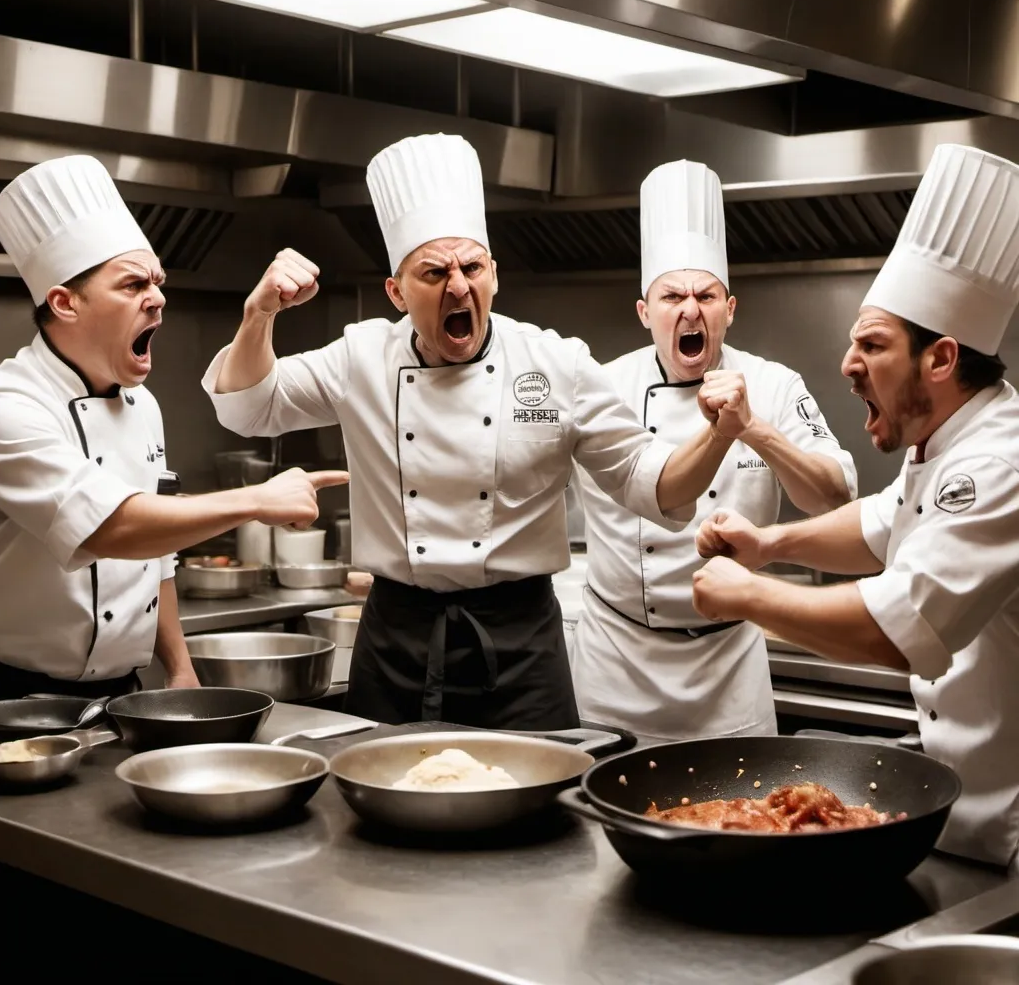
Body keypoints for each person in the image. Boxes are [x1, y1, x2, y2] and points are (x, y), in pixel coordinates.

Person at [202, 133, 745, 731]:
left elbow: (659, 488)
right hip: (397, 638)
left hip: (521, 646)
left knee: (539, 811)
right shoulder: (361, 358)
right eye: (434, 272)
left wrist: (718, 436)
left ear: (494, 276)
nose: (457, 286)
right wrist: (260, 316)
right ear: (396, 292)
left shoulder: (554, 363)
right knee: (386, 806)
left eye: (471, 267)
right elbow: (247, 406)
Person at [692, 143, 1019, 868]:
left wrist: (749, 593)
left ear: (939, 360)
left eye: (871, 345)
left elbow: (897, 631)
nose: (847, 365)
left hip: (1012, 832)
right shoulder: (948, 437)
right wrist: (770, 542)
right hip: (964, 817)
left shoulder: (999, 464)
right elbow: (880, 525)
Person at [0, 155, 347, 701]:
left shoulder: (143, 405)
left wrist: (178, 667)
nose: (158, 297)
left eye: (156, 280)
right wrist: (256, 499)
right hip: (13, 698)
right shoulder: (10, 407)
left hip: (122, 696)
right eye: (133, 284)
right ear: (65, 303)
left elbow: (156, 549)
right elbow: (110, 528)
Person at [570, 160, 857, 740]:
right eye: (672, 295)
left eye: (705, 294)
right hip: (614, 666)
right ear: (644, 313)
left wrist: (755, 428)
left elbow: (834, 498)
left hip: (729, 670)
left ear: (730, 309)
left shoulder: (773, 384)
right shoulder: (601, 386)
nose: (690, 309)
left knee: (744, 821)